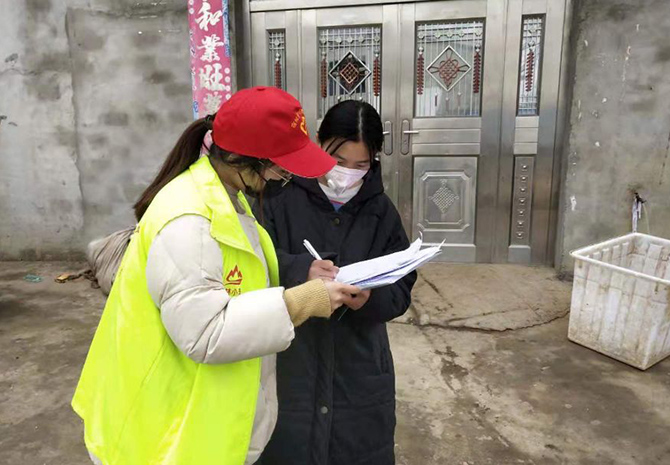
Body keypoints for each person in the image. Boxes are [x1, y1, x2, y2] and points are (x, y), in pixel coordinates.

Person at [71, 87, 361, 465]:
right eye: (278, 166)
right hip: (156, 430)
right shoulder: (188, 221)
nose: (283, 175)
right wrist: (304, 301)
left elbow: (240, 277)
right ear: (244, 158)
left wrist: (299, 273)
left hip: (186, 410)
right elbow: (206, 332)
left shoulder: (224, 196)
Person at [257, 100, 417, 465]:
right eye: (338, 160)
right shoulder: (278, 199)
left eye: (360, 165)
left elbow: (402, 286)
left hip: (359, 370)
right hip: (293, 362)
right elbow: (254, 262)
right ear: (318, 142)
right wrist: (301, 270)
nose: (346, 174)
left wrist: (370, 298)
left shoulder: (381, 212)